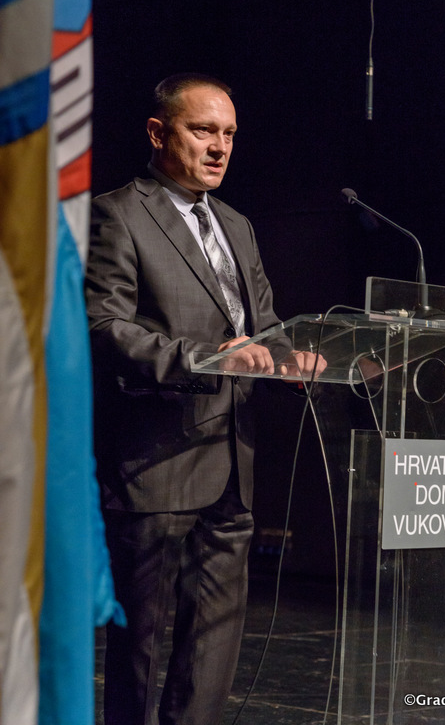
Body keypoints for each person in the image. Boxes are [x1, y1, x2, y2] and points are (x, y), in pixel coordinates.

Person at [85, 73, 325, 725]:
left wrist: (289, 359)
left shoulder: (237, 226)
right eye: (203, 131)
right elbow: (104, 326)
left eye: (229, 134)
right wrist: (206, 359)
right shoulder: (118, 213)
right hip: (155, 466)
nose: (220, 147)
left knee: (213, 647)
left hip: (232, 463)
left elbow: (264, 326)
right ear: (158, 132)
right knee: (139, 647)